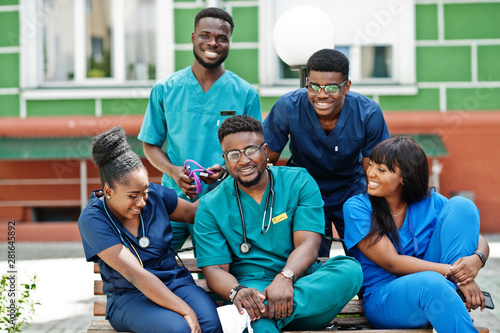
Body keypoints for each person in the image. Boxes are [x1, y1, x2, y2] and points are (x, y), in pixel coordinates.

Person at [194, 115, 363, 332]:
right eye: (234, 154)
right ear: (225, 159)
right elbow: (215, 269)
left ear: (265, 150)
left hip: (301, 285)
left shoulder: (298, 181)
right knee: (260, 326)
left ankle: (265, 309)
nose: (244, 160)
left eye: (251, 150)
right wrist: (238, 292)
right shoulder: (211, 205)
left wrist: (285, 278)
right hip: (252, 289)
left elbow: (308, 245)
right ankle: (265, 311)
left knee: (349, 269)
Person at [138, 7, 262, 251]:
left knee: (217, 273)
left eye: (222, 38)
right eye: (205, 35)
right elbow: (150, 144)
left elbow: (255, 152)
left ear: (229, 43)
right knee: (151, 260)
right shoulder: (165, 89)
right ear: (193, 38)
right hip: (172, 201)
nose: (213, 43)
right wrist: (174, 172)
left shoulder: (245, 93)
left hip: (224, 204)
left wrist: (227, 169)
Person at [78, 126, 222, 333]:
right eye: (133, 195)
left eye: (145, 191)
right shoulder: (93, 220)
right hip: (130, 296)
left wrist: (233, 181)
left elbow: (192, 212)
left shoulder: (153, 195)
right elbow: (136, 275)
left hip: (175, 282)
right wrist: (186, 311)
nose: (142, 201)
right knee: (179, 329)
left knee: (211, 324)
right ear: (108, 191)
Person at [343, 136, 490, 332]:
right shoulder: (358, 208)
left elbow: (475, 238)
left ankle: (453, 291)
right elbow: (391, 262)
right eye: (370, 165)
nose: (370, 173)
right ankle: (453, 291)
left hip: (438, 285)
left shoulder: (431, 202)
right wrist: (455, 274)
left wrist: (478, 259)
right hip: (386, 299)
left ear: (404, 176)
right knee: (433, 283)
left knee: (463, 206)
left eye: (381, 170)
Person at [263, 48, 390, 257]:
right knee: (309, 262)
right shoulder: (289, 106)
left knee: (365, 261)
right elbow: (265, 160)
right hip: (304, 191)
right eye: (314, 86)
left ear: (346, 87)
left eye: (331, 87)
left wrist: (377, 210)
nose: (322, 95)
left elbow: (374, 171)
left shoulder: (367, 112)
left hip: (351, 190)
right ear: (306, 84)